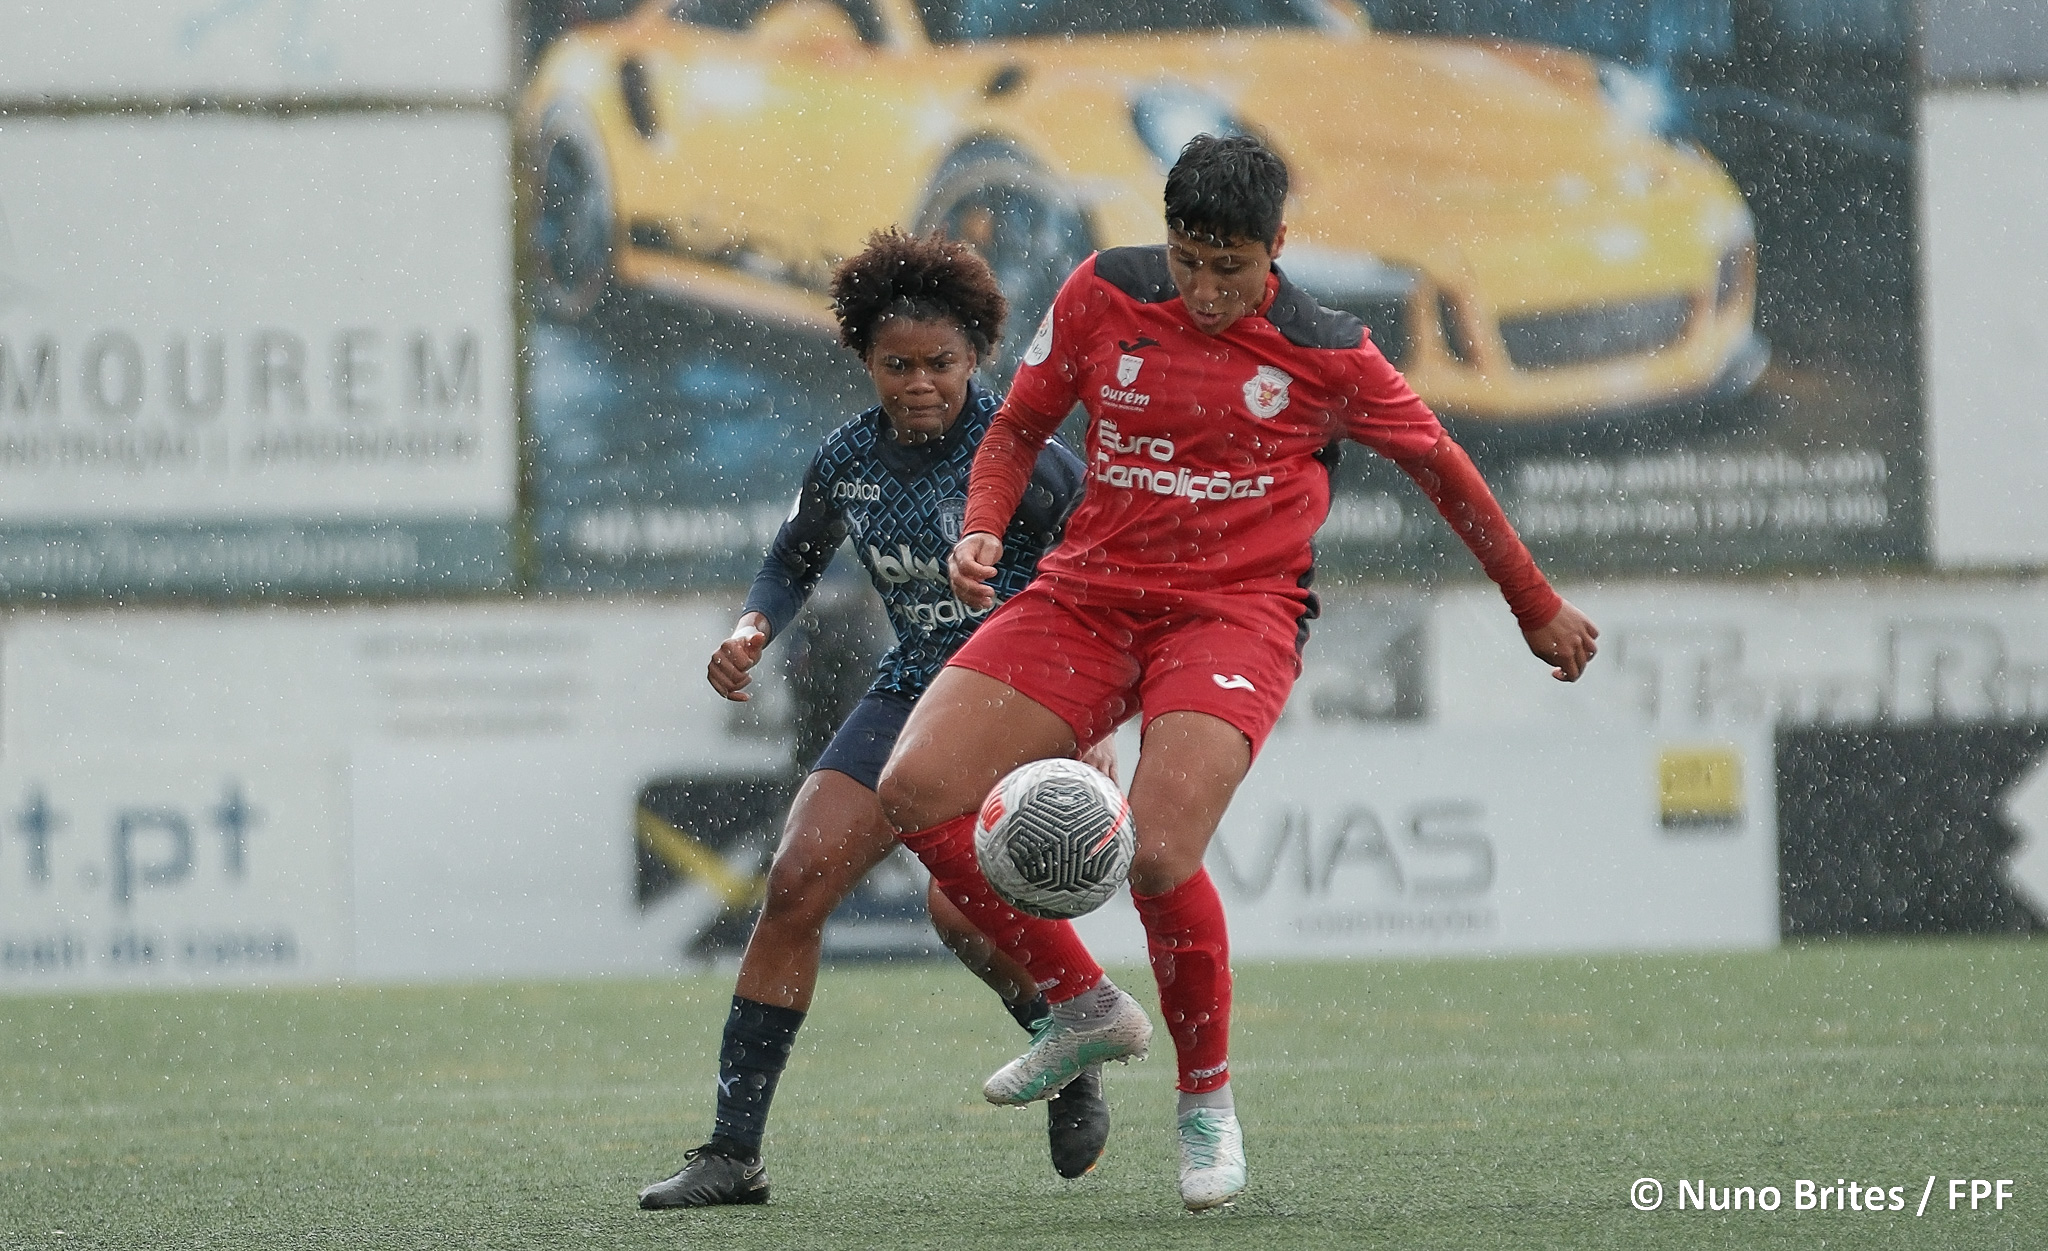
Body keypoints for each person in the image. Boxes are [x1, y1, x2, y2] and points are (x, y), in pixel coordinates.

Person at [875, 134, 1600, 1211]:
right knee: (913, 793)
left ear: (1278, 249)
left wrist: (1532, 604)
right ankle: (1082, 1005)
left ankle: (1203, 1098)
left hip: (1231, 619)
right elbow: (1021, 423)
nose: (1206, 291)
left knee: (1160, 856)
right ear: (1164, 240)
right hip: (1085, 595)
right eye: (1188, 260)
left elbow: (1442, 471)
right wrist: (982, 529)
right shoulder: (1100, 291)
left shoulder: (1330, 350)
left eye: (1232, 268)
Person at [638, 228, 1108, 1210]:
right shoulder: (846, 457)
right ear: (863, 360)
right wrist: (753, 625)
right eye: (896, 365)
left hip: (1021, 702)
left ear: (976, 356)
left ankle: (1065, 1041)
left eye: (940, 363)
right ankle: (731, 1156)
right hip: (908, 691)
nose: (920, 383)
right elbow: (794, 554)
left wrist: (1095, 718)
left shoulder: (1019, 451)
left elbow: (1101, 580)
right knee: (796, 881)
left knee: (956, 914)